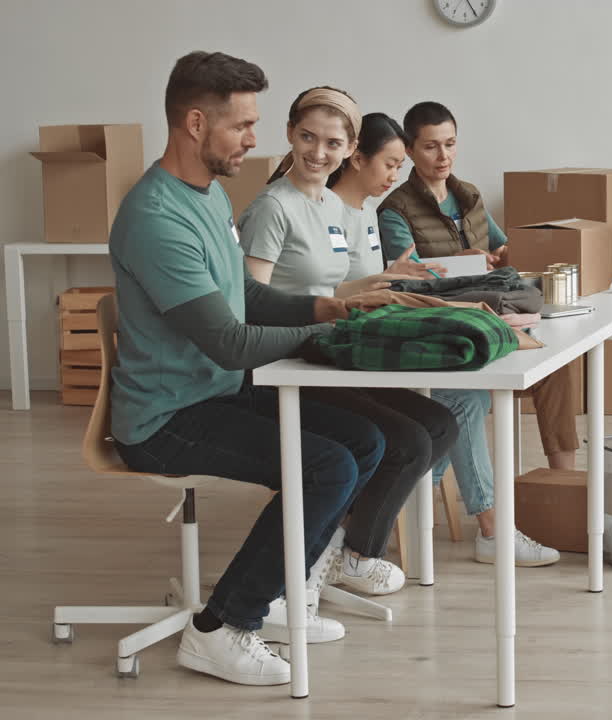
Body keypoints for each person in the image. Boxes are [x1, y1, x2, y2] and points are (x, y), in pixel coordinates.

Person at [109, 51, 397, 686]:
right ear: (194, 123)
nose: (254, 139)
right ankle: (221, 628)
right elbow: (230, 342)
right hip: (165, 418)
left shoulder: (209, 194)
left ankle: (278, 594)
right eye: (242, 125)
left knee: (365, 441)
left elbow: (244, 298)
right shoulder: (157, 218)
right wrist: (325, 330)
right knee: (328, 465)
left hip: (214, 393)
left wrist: (331, 305)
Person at [238, 89, 459, 594]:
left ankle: (342, 551)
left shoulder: (328, 205)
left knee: (439, 424)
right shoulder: (274, 208)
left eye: (332, 142)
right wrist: (339, 308)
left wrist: (383, 282)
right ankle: (345, 557)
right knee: (404, 440)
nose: (319, 151)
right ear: (289, 133)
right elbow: (252, 304)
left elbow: (332, 289)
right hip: (285, 363)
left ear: (348, 147)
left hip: (326, 350)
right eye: (308, 137)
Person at [375, 101, 576, 566]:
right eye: (429, 147)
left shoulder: (469, 197)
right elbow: (407, 282)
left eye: (449, 144)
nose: (442, 156)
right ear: (409, 150)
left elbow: (503, 247)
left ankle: (567, 488)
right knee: (472, 400)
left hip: (490, 319)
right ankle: (484, 524)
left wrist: (505, 257)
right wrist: (468, 267)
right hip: (447, 331)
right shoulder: (395, 211)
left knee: (554, 366)